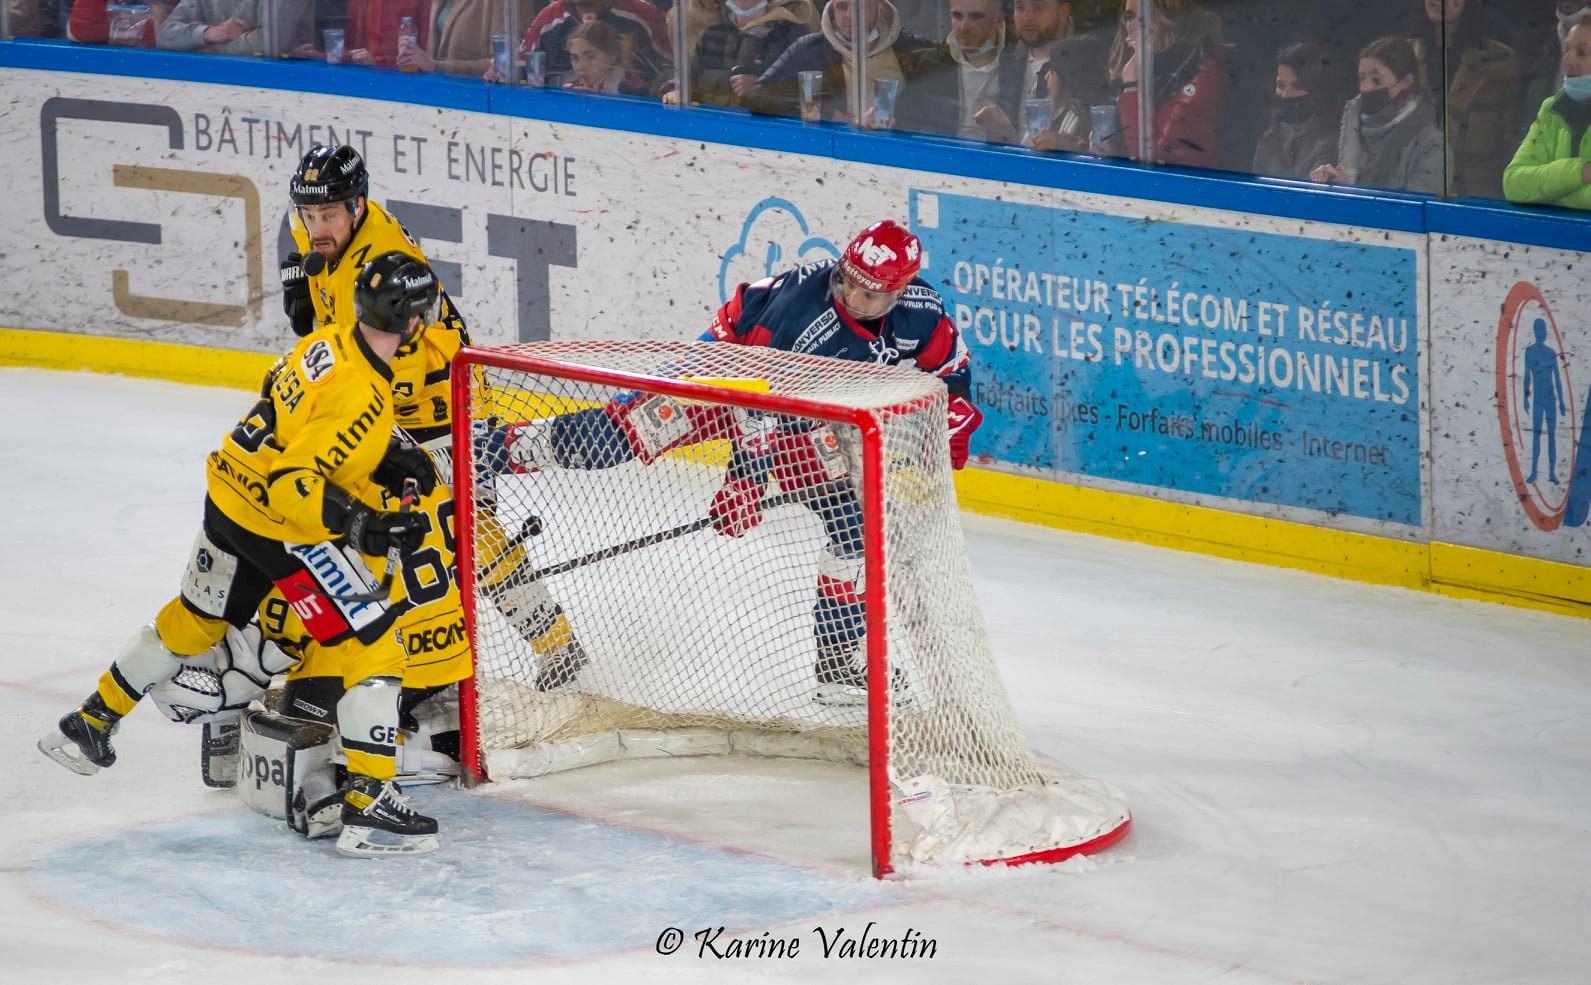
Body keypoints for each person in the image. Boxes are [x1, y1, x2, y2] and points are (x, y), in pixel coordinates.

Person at [40, 251, 446, 858]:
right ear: (414, 321)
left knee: (196, 618)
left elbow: (286, 408)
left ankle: (92, 720)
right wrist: (362, 524)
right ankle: (369, 808)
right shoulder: (362, 396)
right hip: (279, 523)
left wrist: (381, 450)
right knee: (375, 644)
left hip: (228, 494)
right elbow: (293, 482)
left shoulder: (330, 339)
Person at [278, 145, 590, 729]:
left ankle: (551, 644)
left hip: (447, 403)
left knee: (460, 531)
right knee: (387, 532)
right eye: (308, 215)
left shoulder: (381, 257)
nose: (316, 228)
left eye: (328, 216)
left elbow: (382, 363)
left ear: (357, 206)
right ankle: (406, 665)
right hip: (390, 402)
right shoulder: (328, 236)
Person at [701, 220, 981, 705]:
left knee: (857, 526)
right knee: (629, 431)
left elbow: (949, 370)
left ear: (899, 292)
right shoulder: (799, 317)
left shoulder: (922, 310)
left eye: (869, 293)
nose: (853, 296)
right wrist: (744, 479)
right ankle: (523, 447)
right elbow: (757, 404)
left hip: (803, 416)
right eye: (847, 281)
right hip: (718, 370)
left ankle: (836, 664)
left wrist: (950, 413)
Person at [742, 0, 947, 130]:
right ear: (831, 10)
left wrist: (898, 120)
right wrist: (826, 113)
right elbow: (758, 97)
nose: (850, 15)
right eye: (842, 6)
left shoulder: (913, 52)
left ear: (881, 8)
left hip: (896, 158)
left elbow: (942, 119)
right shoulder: (808, 49)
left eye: (862, 6)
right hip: (832, 155)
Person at [1406, 0, 1521, 197]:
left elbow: (1512, 141)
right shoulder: (1402, 56)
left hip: (1477, 197)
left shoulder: (1502, 61)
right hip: (1410, 192)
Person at [1310, 35, 1448, 194]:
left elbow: (1412, 213)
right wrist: (1331, 180)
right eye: (1362, 79)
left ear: (1406, 82)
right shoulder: (1350, 125)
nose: (1366, 88)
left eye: (1376, 80)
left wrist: (1351, 191)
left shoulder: (1432, 146)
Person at [1113, 0, 1227, 169]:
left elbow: (1151, 156)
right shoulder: (1149, 70)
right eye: (1129, 16)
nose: (1134, 25)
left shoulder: (1202, 71)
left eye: (1145, 16)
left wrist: (1131, 83)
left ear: (1168, 20)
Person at [659, 0, 817, 108]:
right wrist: (675, 90)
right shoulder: (712, 35)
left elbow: (806, 102)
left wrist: (759, 91)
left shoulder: (791, 35)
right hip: (709, 133)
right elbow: (688, 81)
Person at [1504, 18, 1591, 207]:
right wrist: (1581, 172)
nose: (1567, 60)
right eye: (1567, 49)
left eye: (1581, 52)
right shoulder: (1551, 110)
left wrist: (1551, 196)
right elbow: (1513, 183)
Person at [507, 0, 670, 93]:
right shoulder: (549, 18)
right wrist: (500, 71)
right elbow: (518, 69)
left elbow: (670, 73)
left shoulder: (642, 15)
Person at [1251, 41, 1342, 181]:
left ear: (1317, 90)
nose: (1286, 95)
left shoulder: (1332, 141)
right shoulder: (1270, 138)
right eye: (1281, 85)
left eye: (1297, 86)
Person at [155, 0, 315, 55]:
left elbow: (271, 43)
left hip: (278, 83)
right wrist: (209, 33)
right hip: (218, 85)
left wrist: (213, 48)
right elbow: (164, 35)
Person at [563, 19, 649, 94]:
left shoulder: (629, 88)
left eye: (589, 57)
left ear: (612, 56)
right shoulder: (575, 85)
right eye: (575, 58)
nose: (580, 67)